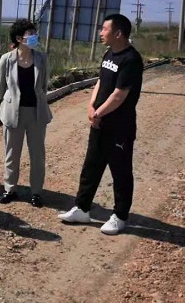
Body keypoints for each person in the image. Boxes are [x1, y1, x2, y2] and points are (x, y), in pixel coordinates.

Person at [58, 13, 143, 235]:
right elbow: (100, 81)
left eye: (105, 29)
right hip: (100, 123)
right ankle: (82, 208)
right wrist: (91, 106)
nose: (101, 33)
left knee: (121, 172)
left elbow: (119, 95)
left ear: (118, 33)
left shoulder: (131, 59)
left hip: (119, 127)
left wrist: (98, 113)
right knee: (91, 167)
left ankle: (120, 216)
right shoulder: (108, 54)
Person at [0, 19, 53, 207]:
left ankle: (36, 192)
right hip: (13, 113)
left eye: (34, 33)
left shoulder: (41, 58)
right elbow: (0, 87)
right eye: (30, 34)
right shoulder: (7, 59)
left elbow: (43, 84)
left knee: (37, 155)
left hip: (36, 113)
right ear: (19, 38)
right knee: (12, 154)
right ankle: (10, 189)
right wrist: (9, 101)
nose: (34, 36)